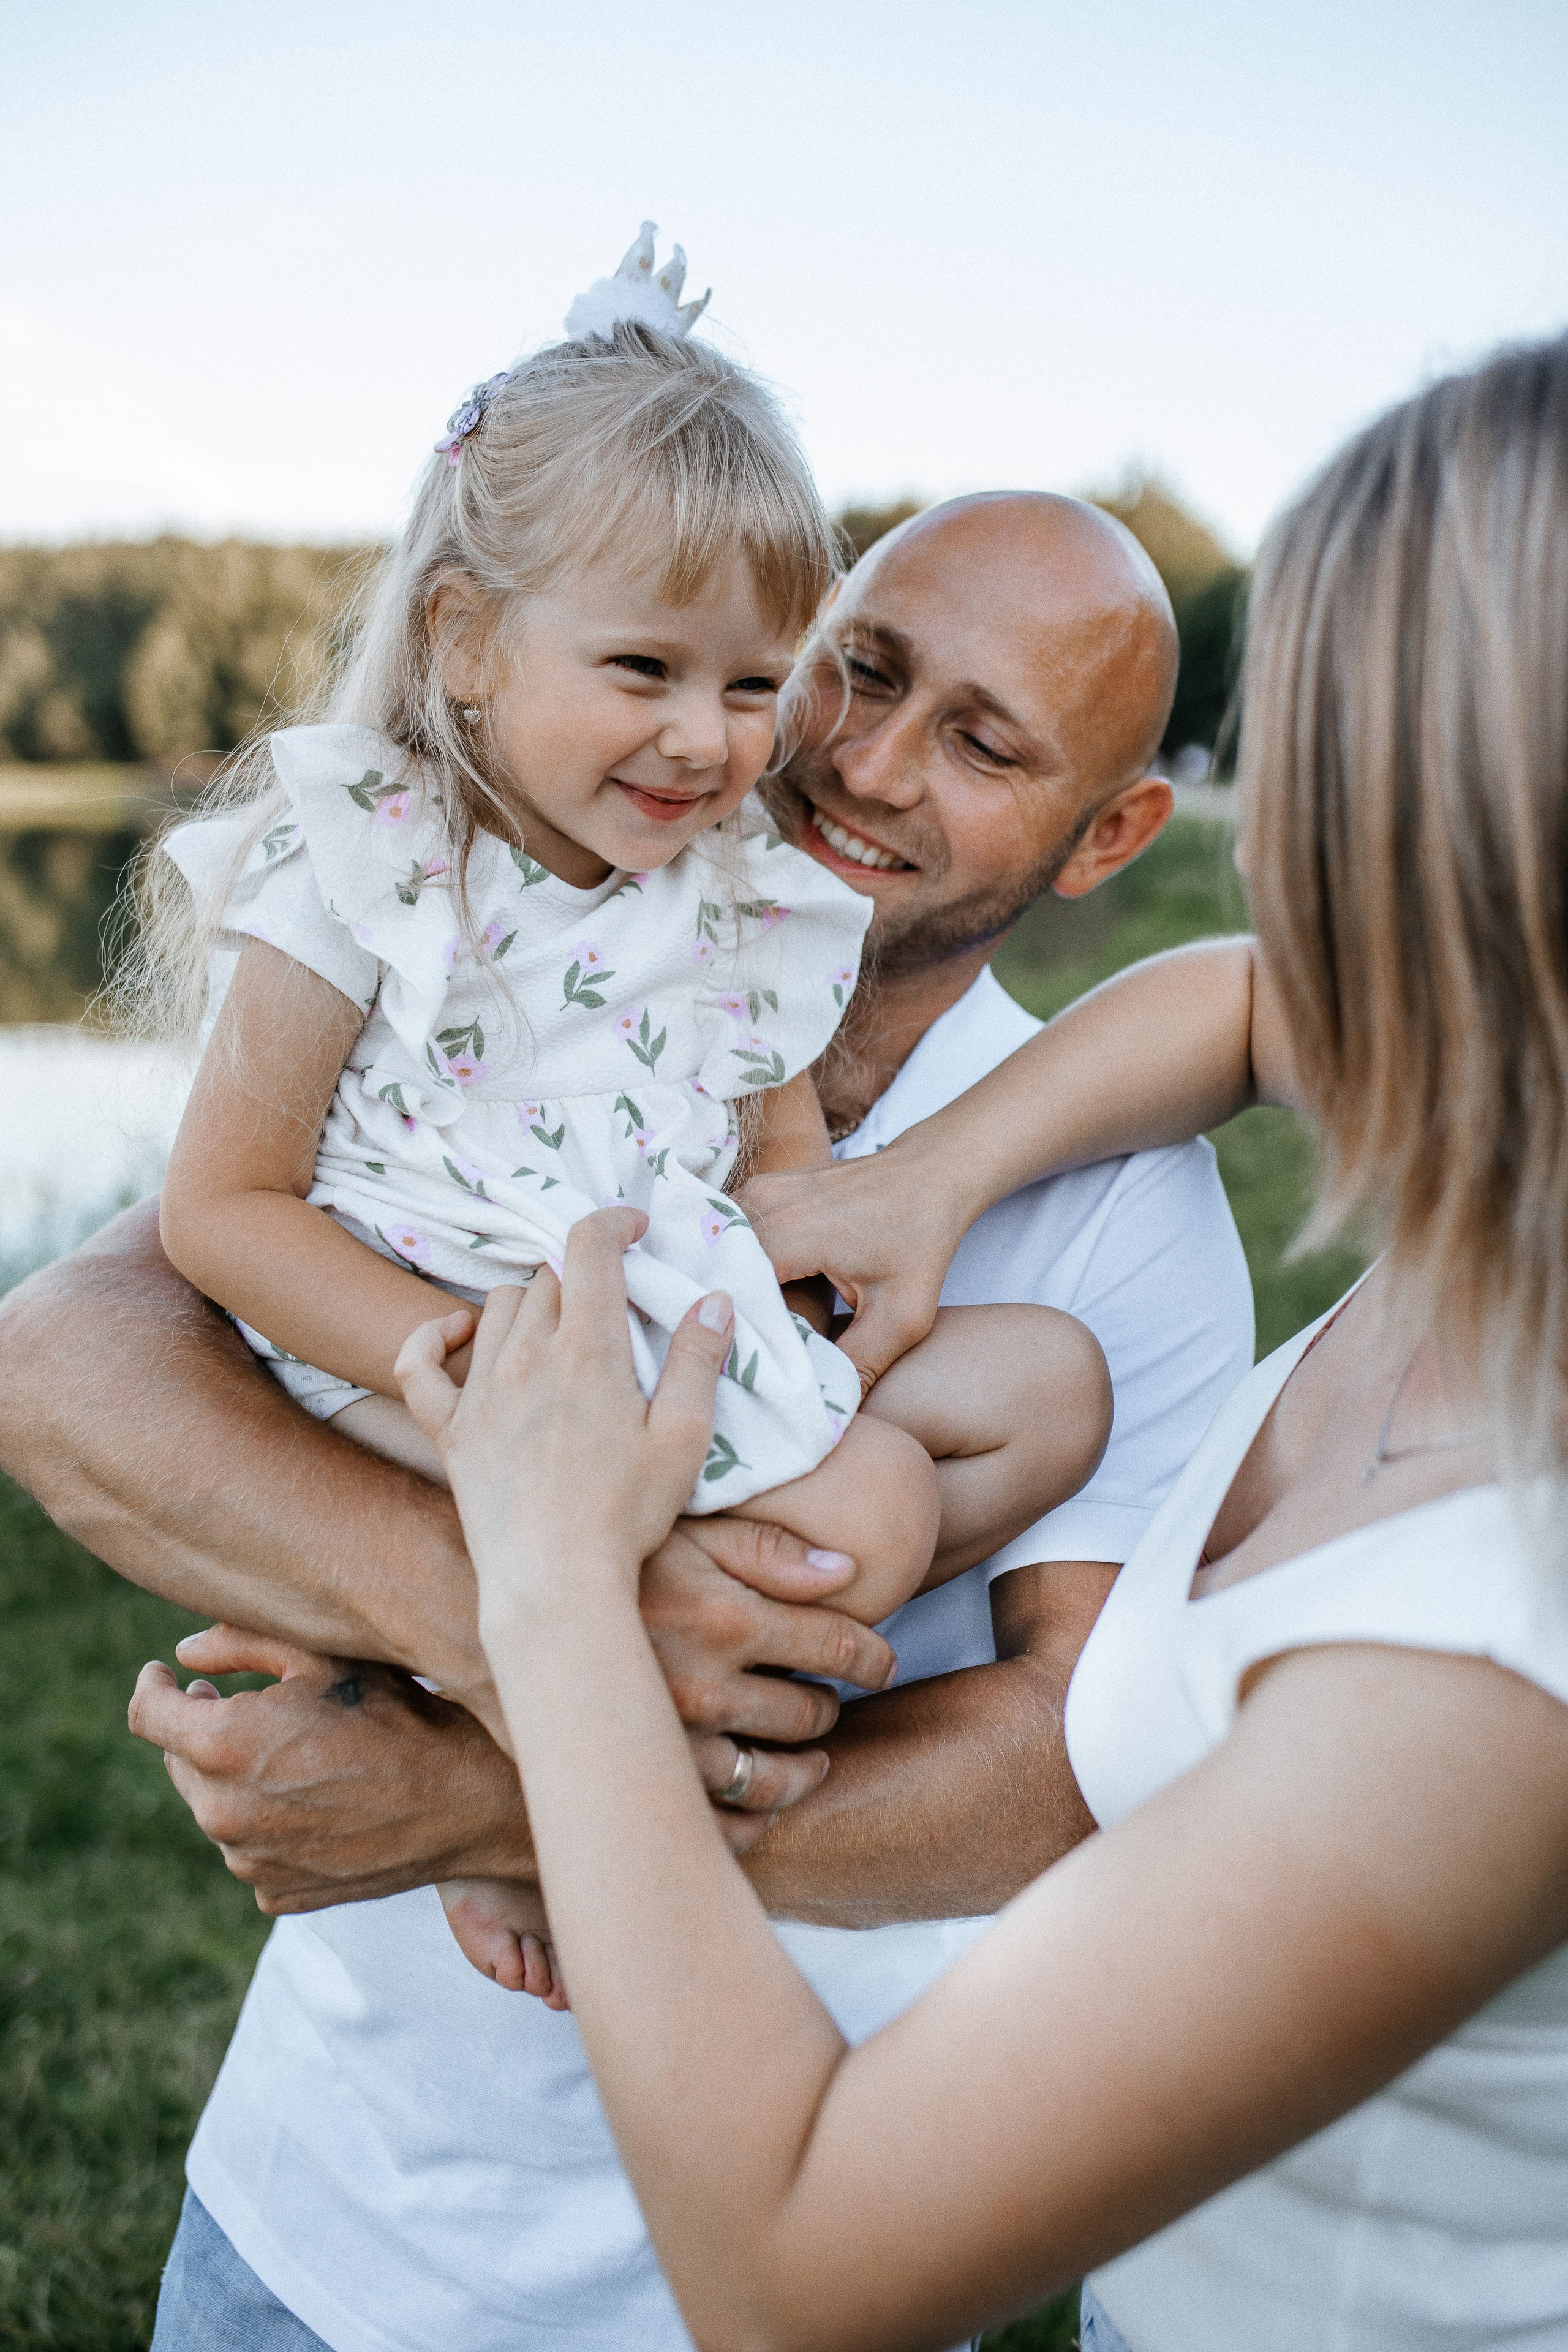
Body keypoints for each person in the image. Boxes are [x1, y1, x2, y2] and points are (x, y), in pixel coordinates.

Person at [313, 331, 1568, 2352]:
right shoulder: (1477, 1240)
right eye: (862, 668)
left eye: (1323, 754)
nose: (871, 764)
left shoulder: (1491, 1653)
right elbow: (1252, 999)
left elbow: (800, 2278)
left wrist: (533, 1623)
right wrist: (928, 1182)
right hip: (349, 2188)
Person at [1, 491, 1252, 2348]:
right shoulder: (522, 959)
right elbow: (73, 1354)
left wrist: (496, 1802)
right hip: (319, 2212)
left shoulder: (1125, 1214)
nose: (868, 766)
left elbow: (1075, 1770)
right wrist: (531, 1624)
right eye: (859, 671)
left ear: (1112, 837)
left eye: (983, 745)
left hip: (755, 2269)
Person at [146, 234, 1107, 1991]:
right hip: (443, 1349)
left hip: (663, 1332)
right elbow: (221, 1211)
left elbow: (771, 1150)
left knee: (1045, 1389)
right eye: (644, 671)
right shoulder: (370, 868)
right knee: (669, 1549)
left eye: (753, 687)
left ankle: (557, 1753)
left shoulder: (737, 894)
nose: (703, 739)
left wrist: (811, 1283)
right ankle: (517, 1769)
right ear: (467, 640)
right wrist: (480, 1384)